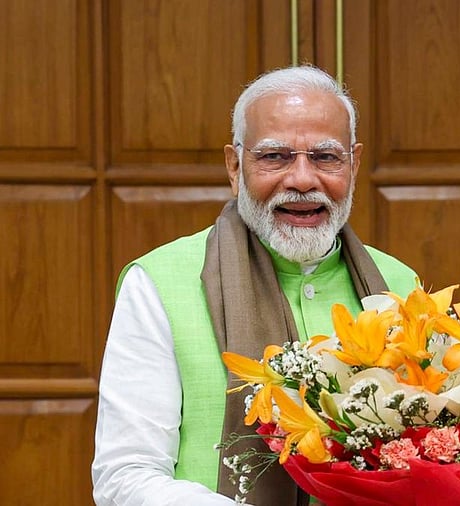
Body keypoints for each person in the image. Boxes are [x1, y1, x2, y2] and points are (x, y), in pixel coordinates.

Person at [92, 65, 418, 505]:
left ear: (354, 164)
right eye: (274, 156)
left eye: (325, 157)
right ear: (234, 165)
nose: (302, 179)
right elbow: (125, 475)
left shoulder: (399, 285)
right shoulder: (159, 283)